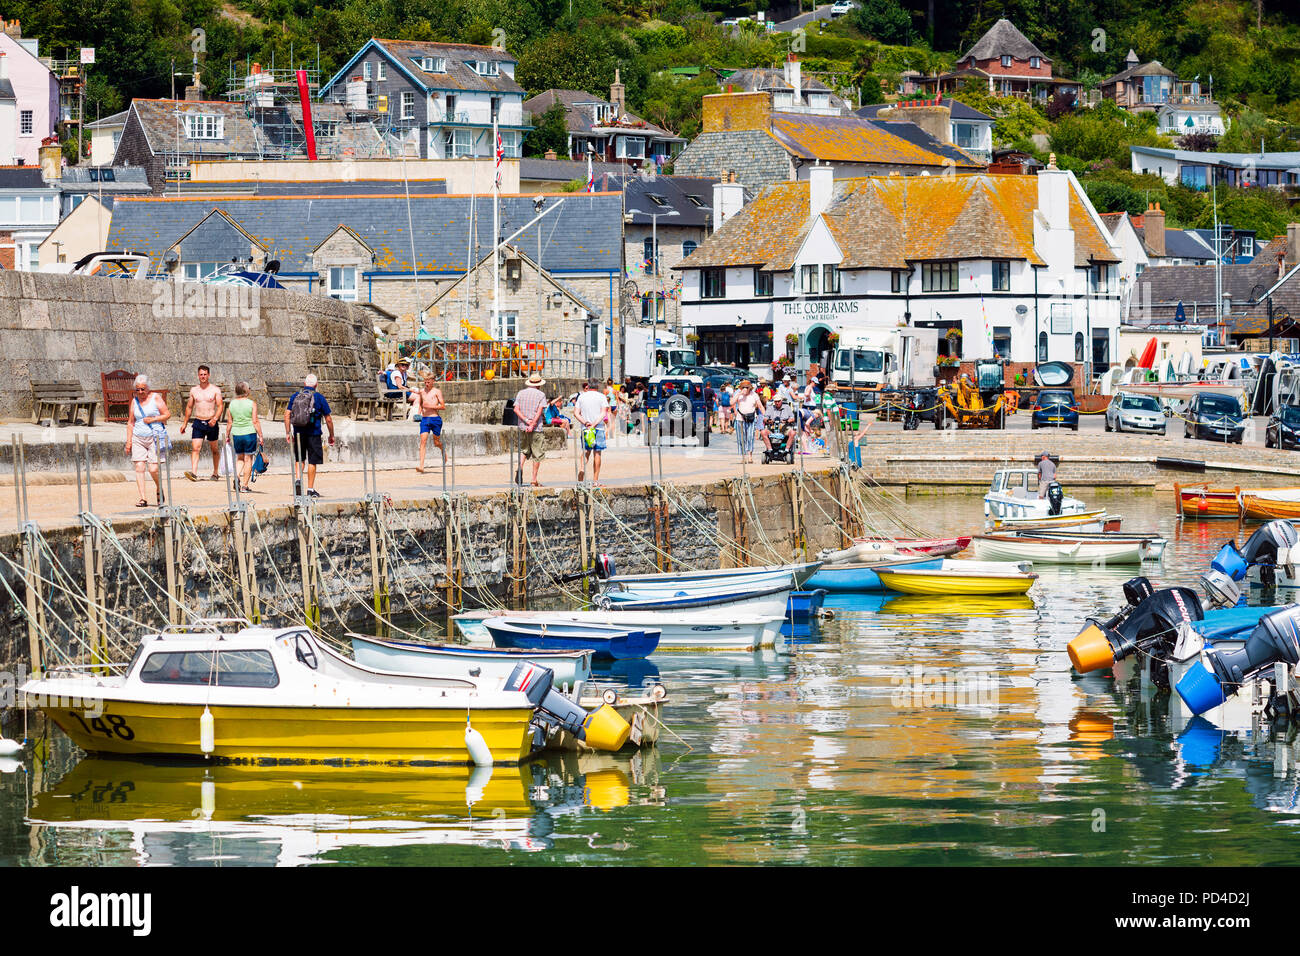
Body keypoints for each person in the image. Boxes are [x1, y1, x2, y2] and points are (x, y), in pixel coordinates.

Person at [284, 373, 335, 498]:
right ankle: (310, 489)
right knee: (312, 461)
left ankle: (298, 479)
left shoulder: (295, 396)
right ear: (316, 385)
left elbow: (287, 414)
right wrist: (331, 435)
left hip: (298, 432)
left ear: (305, 384)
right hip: (314, 433)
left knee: (299, 459)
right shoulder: (319, 397)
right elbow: (328, 419)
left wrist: (288, 432)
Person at [125, 375, 170, 507]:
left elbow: (167, 414)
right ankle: (143, 498)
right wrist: (129, 442)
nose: (140, 392)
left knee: (153, 469)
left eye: (142, 389)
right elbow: (131, 422)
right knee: (139, 467)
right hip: (138, 437)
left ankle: (159, 487)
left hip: (154, 437)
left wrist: (153, 419)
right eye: (137, 390)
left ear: (148, 388)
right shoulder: (134, 401)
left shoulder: (156, 398)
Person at [182, 364, 224, 481]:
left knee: (214, 449)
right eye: (201, 374)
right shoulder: (194, 390)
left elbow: (220, 406)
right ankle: (194, 473)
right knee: (196, 448)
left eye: (205, 374)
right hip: (198, 422)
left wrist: (215, 418)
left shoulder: (215, 390)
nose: (203, 376)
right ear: (198, 376)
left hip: (211, 422)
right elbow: (189, 407)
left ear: (209, 375)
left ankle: (215, 473)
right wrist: (185, 423)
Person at [223, 381, 263, 492]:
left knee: (239, 458)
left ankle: (237, 476)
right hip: (249, 433)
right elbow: (255, 421)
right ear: (246, 391)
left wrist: (227, 435)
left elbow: (229, 422)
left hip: (236, 433)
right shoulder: (251, 403)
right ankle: (245, 486)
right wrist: (260, 435)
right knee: (248, 459)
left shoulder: (232, 404)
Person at [513, 372, 548, 487]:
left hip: (522, 426)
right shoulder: (541, 394)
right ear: (539, 384)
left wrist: (526, 421)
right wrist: (532, 423)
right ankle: (534, 480)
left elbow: (516, 410)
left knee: (524, 450)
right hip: (536, 428)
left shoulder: (521, 393)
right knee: (537, 454)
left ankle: (520, 467)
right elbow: (539, 411)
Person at [574, 379, 609, 485]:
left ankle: (582, 468)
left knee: (586, 451)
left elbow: (576, 413)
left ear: (588, 386)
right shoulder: (601, 397)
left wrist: (586, 423)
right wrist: (594, 424)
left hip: (586, 428)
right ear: (597, 386)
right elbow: (603, 413)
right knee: (597, 453)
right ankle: (595, 481)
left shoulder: (582, 396)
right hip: (598, 428)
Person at [411, 371, 446, 473]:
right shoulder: (422, 391)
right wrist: (418, 413)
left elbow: (443, 406)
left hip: (435, 419)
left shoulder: (437, 392)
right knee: (423, 441)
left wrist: (430, 406)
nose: (426, 384)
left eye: (428, 382)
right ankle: (421, 466)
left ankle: (443, 449)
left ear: (433, 381)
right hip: (425, 419)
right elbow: (422, 404)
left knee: (436, 442)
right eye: (425, 382)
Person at [733, 380, 765, 464]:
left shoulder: (754, 395)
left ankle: (750, 456)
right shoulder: (738, 394)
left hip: (751, 418)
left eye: (747, 387)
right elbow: (731, 402)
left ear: (750, 388)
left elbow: (760, 406)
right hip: (740, 418)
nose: (745, 389)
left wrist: (765, 416)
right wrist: (739, 394)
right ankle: (743, 456)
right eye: (743, 387)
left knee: (750, 437)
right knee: (741, 439)